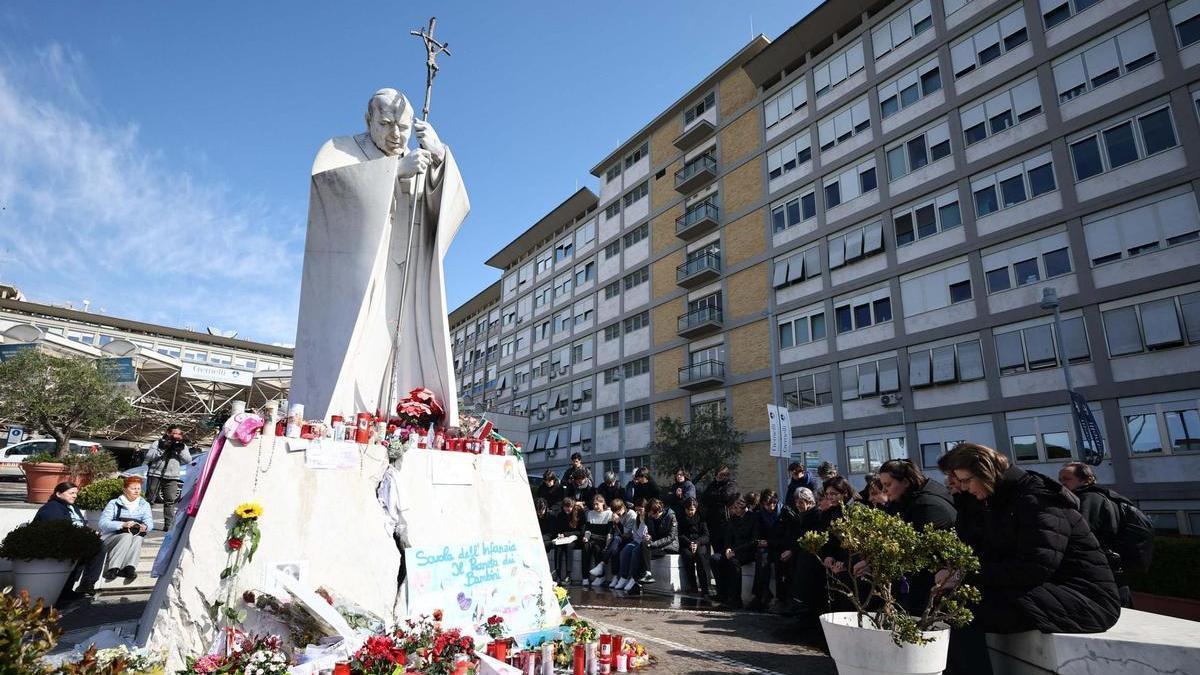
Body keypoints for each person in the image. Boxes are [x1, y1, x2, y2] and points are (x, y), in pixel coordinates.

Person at [940, 444, 1120, 675]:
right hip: (1047, 589)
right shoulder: (1000, 499)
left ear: (985, 472)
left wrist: (964, 574)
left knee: (961, 611)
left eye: (966, 481)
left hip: (1085, 599)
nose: (962, 488)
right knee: (950, 601)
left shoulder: (1035, 498)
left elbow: (1035, 566)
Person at [877, 459, 957, 614]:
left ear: (905, 482)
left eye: (888, 485)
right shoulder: (906, 501)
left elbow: (921, 553)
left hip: (931, 584)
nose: (884, 490)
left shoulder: (927, 506)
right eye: (883, 486)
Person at [1059, 462, 1132, 607]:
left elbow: (1082, 534)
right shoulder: (1103, 496)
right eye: (1060, 480)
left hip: (1102, 572)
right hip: (1111, 571)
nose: (1062, 483)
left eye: (1067, 479)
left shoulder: (1089, 499)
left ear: (1085, 480)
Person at [33, 482, 103, 604]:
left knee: (99, 546)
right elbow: (58, 528)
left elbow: (80, 525)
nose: (75, 496)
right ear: (58, 494)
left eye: (76, 493)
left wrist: (89, 532)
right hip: (57, 543)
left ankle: (87, 584)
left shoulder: (73, 508)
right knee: (82, 549)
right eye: (71, 493)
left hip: (75, 540)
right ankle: (65, 590)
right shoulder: (52, 508)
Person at [98, 476, 155, 582]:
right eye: (133, 488)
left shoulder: (144, 504)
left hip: (133, 537)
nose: (137, 491)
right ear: (125, 490)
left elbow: (149, 522)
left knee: (138, 538)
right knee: (126, 535)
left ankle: (129, 568)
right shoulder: (114, 503)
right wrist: (122, 525)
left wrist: (145, 527)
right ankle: (113, 568)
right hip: (111, 537)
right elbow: (103, 523)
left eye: (138, 488)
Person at [772, 487, 819, 613]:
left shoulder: (814, 515)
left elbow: (808, 536)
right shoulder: (802, 515)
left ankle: (799, 603)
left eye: (801, 502)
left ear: (809, 502)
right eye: (796, 502)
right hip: (798, 549)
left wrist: (792, 550)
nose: (798, 505)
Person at [711, 497, 758, 609]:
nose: (734, 510)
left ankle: (736, 599)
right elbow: (728, 537)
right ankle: (722, 593)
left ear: (743, 507)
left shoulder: (753, 518)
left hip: (746, 551)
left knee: (733, 562)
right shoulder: (733, 519)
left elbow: (753, 541)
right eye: (733, 508)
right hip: (732, 550)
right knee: (715, 559)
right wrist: (728, 548)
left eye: (736, 508)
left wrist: (734, 551)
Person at [144, 425, 191, 532]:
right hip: (155, 474)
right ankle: (144, 523)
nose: (178, 436)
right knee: (150, 499)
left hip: (172, 477)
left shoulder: (182, 446)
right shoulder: (158, 443)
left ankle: (169, 526)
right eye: (175, 433)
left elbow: (188, 460)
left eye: (180, 434)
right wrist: (162, 448)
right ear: (168, 433)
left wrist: (180, 450)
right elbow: (149, 457)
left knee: (170, 501)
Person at [749, 489, 781, 611]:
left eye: (773, 503)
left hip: (778, 546)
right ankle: (762, 593)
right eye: (768, 504)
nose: (771, 507)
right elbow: (757, 533)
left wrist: (769, 542)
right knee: (761, 558)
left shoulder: (782, 512)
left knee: (777, 562)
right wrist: (760, 541)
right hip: (766, 546)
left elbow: (785, 536)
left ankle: (767, 595)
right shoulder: (760, 514)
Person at [638, 498, 679, 588]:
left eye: (653, 514)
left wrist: (653, 544)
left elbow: (671, 537)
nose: (652, 516)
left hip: (668, 546)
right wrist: (650, 537)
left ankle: (637, 582)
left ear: (658, 511)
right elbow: (652, 534)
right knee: (640, 547)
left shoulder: (670, 516)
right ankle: (646, 575)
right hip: (657, 545)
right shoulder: (650, 517)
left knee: (641, 553)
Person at [677, 498, 713, 596]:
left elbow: (706, 535)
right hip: (687, 543)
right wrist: (689, 543)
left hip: (700, 543)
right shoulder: (681, 518)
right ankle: (693, 586)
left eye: (692, 510)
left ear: (696, 509)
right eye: (688, 510)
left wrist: (696, 543)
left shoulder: (701, 518)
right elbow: (680, 534)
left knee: (700, 556)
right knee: (687, 556)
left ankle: (705, 588)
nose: (690, 512)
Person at [700, 465, 738, 553]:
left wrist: (713, 497)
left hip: (725, 520)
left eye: (720, 475)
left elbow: (726, 496)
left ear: (726, 475)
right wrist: (717, 497)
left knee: (725, 546)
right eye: (716, 475)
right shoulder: (713, 484)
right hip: (712, 521)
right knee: (716, 546)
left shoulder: (731, 484)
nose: (718, 477)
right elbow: (704, 498)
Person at [615, 500, 649, 592]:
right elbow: (634, 533)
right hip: (636, 540)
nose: (638, 512)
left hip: (644, 542)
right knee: (625, 550)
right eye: (637, 510)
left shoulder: (648, 518)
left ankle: (634, 578)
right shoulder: (637, 518)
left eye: (641, 510)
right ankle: (624, 577)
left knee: (635, 552)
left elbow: (645, 534)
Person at [604, 498, 637, 588]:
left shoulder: (631, 514)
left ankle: (603, 563)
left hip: (630, 539)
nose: (617, 514)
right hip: (619, 539)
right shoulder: (615, 515)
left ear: (623, 507)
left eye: (618, 511)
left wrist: (618, 522)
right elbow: (614, 532)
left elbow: (628, 533)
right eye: (615, 512)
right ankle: (615, 577)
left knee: (617, 542)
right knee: (615, 550)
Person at [582, 494, 613, 586]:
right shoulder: (590, 513)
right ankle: (585, 577)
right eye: (594, 504)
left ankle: (600, 576)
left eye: (597, 504)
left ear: (603, 503)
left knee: (597, 548)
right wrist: (586, 537)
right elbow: (588, 529)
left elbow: (609, 532)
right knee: (585, 547)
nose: (595, 507)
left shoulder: (609, 514)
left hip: (602, 538)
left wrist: (607, 544)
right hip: (592, 538)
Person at [551, 497, 583, 583]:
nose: (568, 509)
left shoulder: (578, 514)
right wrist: (559, 535)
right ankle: (558, 574)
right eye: (566, 507)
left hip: (575, 539)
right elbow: (557, 529)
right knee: (558, 547)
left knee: (569, 546)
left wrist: (566, 534)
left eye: (569, 507)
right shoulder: (561, 515)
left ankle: (568, 574)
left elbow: (580, 531)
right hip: (563, 538)